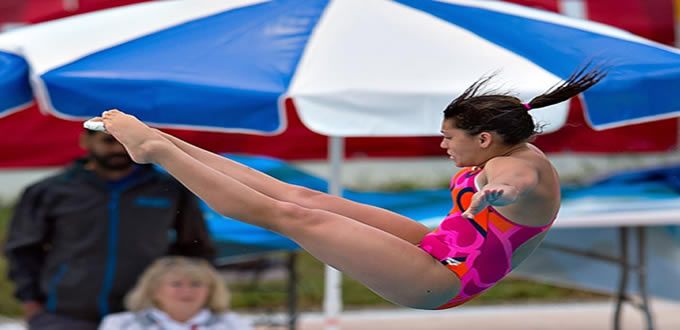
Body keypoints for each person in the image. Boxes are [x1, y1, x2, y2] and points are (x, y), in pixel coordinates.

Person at [98, 66, 604, 310]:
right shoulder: (499, 151)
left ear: (486, 138)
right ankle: (169, 142)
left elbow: (516, 184)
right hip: (438, 247)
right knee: (305, 197)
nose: (443, 143)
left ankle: (156, 154)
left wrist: (502, 197)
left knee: (298, 219)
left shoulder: (520, 169)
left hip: (445, 281)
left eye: (450, 136)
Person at [4, 129, 216, 330]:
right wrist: (32, 305)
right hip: (63, 316)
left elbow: (196, 247)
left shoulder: (169, 189)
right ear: (85, 141)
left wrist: (192, 299)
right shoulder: (49, 191)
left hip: (144, 317)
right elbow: (22, 249)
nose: (118, 149)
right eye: (108, 141)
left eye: (125, 142)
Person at [99, 256, 253, 330]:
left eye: (196, 284)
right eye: (176, 284)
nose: (187, 291)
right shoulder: (120, 324)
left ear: (210, 290)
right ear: (154, 290)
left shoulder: (232, 324)